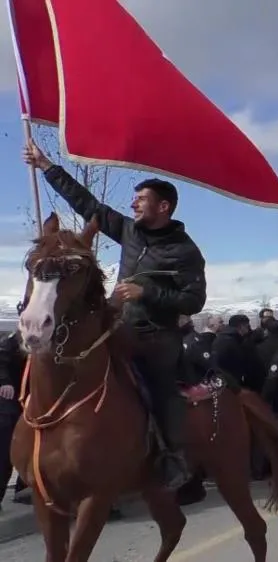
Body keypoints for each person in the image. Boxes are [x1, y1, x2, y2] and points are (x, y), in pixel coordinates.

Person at [24, 141, 207, 491]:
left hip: (157, 336)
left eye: (141, 198)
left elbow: (194, 300)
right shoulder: (128, 231)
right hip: (116, 327)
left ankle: (173, 457)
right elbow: (87, 203)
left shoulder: (184, 251)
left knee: (158, 386)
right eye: (134, 198)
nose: (133, 202)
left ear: (163, 206)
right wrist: (47, 165)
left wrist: (146, 292)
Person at [0, 331, 26, 510]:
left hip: (28, 403)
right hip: (10, 401)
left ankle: (23, 488)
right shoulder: (12, 342)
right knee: (4, 451)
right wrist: (4, 381)